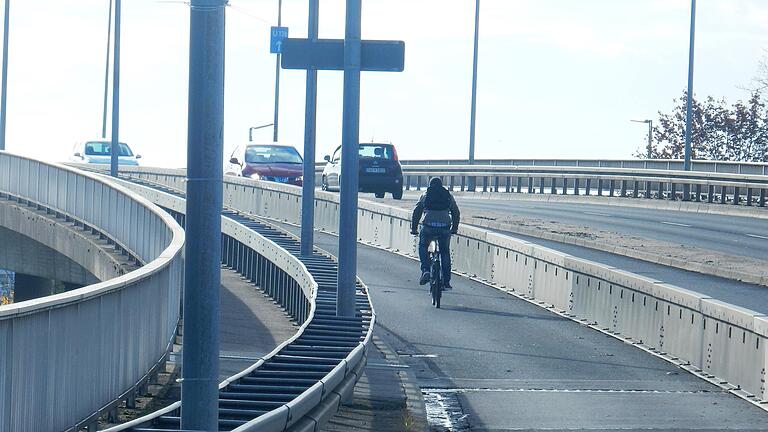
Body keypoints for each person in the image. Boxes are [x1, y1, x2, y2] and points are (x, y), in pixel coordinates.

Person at [410, 177, 460, 289]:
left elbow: (417, 212)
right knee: (445, 252)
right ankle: (446, 281)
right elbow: (456, 213)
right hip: (444, 227)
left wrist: (414, 229)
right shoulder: (448, 195)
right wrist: (454, 228)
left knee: (423, 246)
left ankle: (426, 270)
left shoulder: (425, 195)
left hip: (428, 227)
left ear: (429, 185)